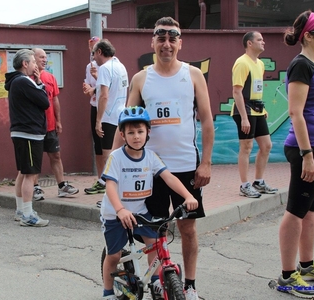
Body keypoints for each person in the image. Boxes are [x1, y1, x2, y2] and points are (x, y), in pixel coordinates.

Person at [124, 17, 214, 300]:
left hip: (187, 166)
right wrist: (115, 165)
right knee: (152, 229)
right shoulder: (141, 78)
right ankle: (157, 281)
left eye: (172, 38)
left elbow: (208, 121)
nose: (166, 43)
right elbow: (125, 124)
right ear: (152, 42)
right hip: (150, 169)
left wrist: (207, 162)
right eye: (160, 38)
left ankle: (189, 285)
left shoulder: (193, 75)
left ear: (180, 43)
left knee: (188, 228)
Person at [100, 106, 199, 300]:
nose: (136, 136)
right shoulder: (116, 157)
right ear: (122, 134)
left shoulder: (151, 158)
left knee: (154, 245)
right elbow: (110, 186)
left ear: (148, 133)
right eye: (130, 132)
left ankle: (156, 282)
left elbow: (169, 178)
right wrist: (119, 210)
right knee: (114, 256)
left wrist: (188, 196)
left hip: (140, 212)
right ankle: (108, 292)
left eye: (140, 131)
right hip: (115, 214)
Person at [276, 10, 314, 299]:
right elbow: (296, 112)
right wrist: (306, 155)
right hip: (305, 148)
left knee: (311, 211)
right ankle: (287, 276)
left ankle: (306, 266)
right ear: (310, 36)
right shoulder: (301, 65)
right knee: (295, 211)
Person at [4, 49, 50, 227]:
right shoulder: (23, 81)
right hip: (29, 134)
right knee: (30, 174)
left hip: (22, 133)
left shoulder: (16, 82)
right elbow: (44, 101)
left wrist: (37, 83)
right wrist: (39, 82)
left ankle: (21, 210)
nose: (35, 65)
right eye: (32, 61)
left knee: (23, 173)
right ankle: (28, 215)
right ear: (25, 64)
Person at [231, 31, 278, 198]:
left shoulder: (260, 64)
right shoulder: (241, 63)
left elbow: (257, 89)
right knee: (246, 147)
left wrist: (262, 110)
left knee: (266, 145)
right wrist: (244, 117)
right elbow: (237, 92)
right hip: (244, 109)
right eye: (259, 39)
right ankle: (244, 185)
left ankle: (258, 182)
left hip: (258, 110)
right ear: (249, 43)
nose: (263, 42)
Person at [31, 48, 79, 199]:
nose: (44, 60)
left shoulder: (50, 77)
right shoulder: (26, 79)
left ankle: (62, 186)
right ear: (33, 59)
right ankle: (35, 188)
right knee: (35, 158)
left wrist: (58, 120)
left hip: (50, 125)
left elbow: (55, 100)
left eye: (45, 57)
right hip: (34, 126)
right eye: (41, 57)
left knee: (56, 155)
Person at [84, 39, 128, 195]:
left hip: (108, 116)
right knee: (116, 151)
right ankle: (106, 182)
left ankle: (107, 184)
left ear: (100, 52)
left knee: (107, 153)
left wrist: (98, 120)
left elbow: (103, 96)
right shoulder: (120, 66)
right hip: (120, 113)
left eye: (93, 54)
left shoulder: (104, 68)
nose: (93, 58)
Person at [82, 37, 106, 200]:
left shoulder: (110, 66)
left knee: (108, 146)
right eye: (90, 49)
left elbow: (109, 88)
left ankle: (109, 181)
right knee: (97, 145)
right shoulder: (89, 66)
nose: (92, 53)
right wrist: (88, 88)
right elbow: (88, 85)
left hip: (107, 109)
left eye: (94, 49)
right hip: (94, 106)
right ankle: (100, 180)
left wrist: (96, 80)